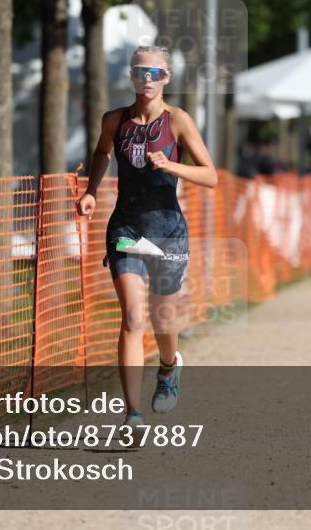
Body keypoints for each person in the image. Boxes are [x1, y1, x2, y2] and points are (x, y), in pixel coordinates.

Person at [76, 45, 217, 430]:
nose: (148, 79)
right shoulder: (114, 121)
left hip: (167, 230)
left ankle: (169, 367)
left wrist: (171, 164)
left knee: (162, 318)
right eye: (141, 71)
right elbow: (103, 152)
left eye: (156, 73)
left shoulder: (178, 122)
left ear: (167, 79)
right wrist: (91, 191)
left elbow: (211, 176)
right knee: (133, 316)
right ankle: (132, 413)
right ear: (132, 76)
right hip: (126, 228)